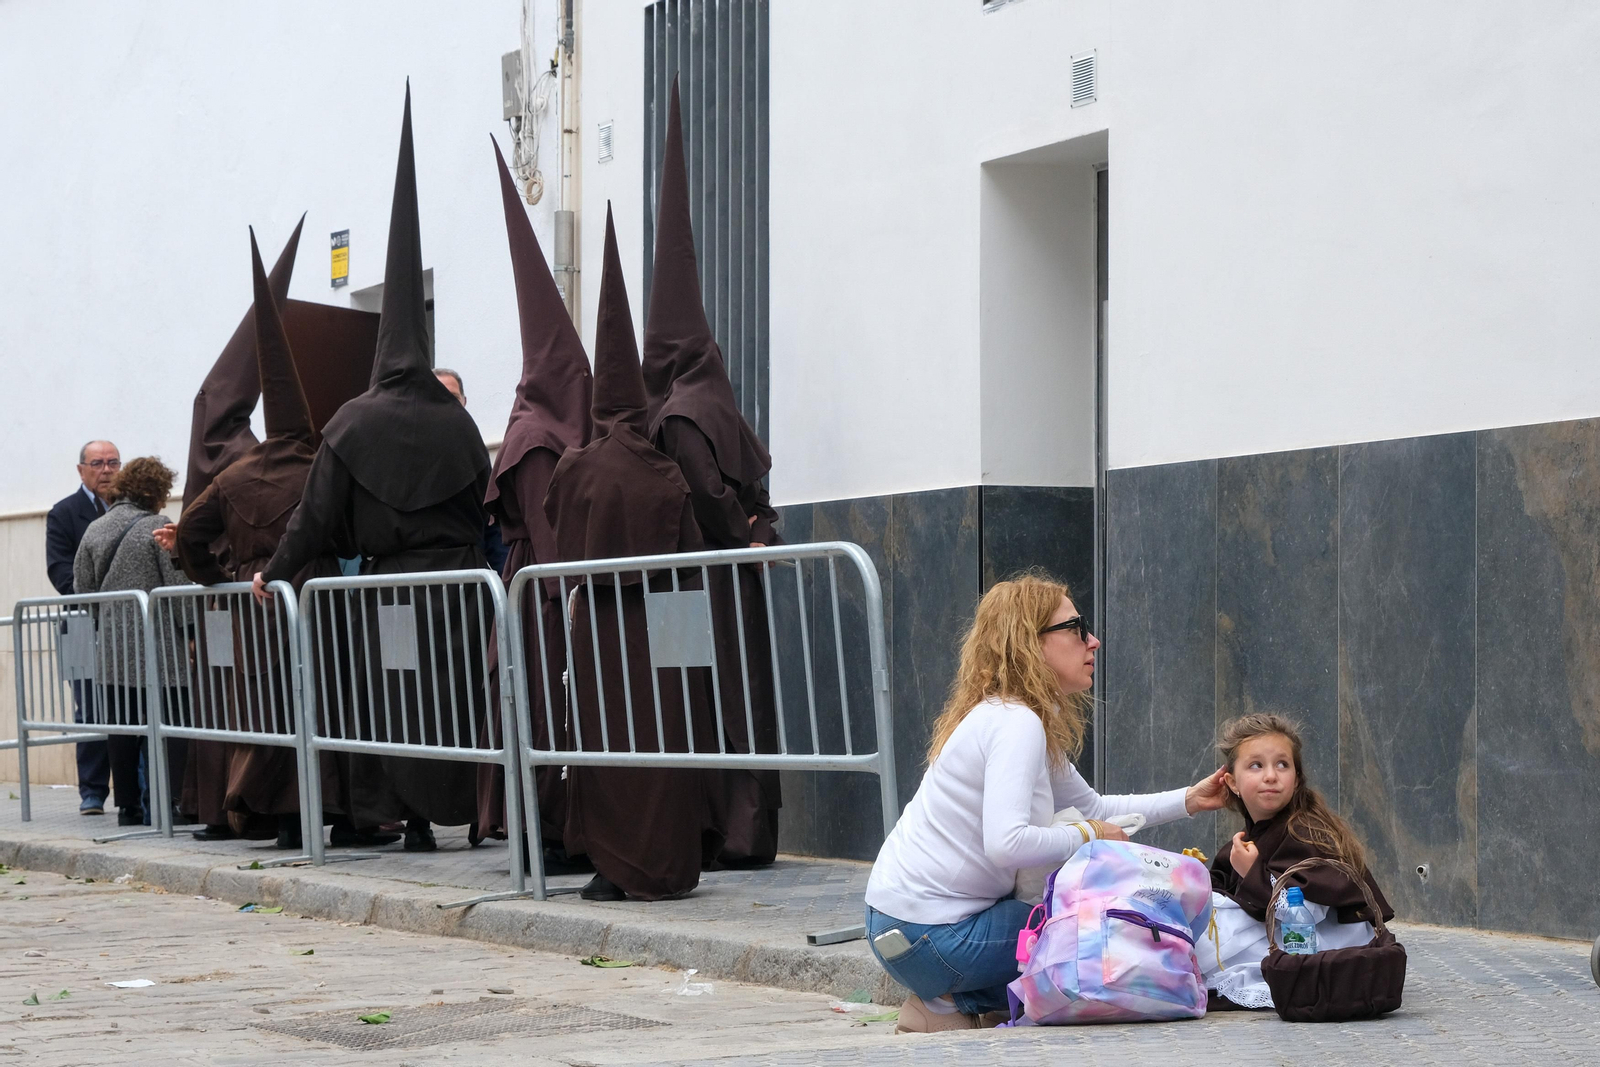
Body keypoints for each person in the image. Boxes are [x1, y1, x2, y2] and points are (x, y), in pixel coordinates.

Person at [256, 86, 492, 853]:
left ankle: (414, 819)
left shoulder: (354, 421)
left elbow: (314, 516)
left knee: (398, 697)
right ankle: (459, 811)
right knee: (454, 697)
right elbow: (483, 501)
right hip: (459, 584)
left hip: (392, 589)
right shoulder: (459, 423)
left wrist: (274, 572)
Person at [863, 573, 1231, 1033]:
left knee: (1077, 932)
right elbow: (1008, 844)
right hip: (929, 937)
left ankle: (962, 1002)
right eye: (1076, 628)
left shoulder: (1014, 715)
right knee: (1084, 930)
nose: (1093, 641)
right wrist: (1089, 834)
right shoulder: (1017, 724)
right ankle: (947, 1004)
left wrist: (1190, 800)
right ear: (1030, 643)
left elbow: (1095, 806)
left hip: (901, 928)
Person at [164, 228, 362, 849]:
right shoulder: (319, 467)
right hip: (315, 592)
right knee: (323, 698)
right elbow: (348, 534)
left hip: (253, 598)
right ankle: (326, 812)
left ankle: (278, 815)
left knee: (267, 701)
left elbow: (190, 534)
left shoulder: (232, 474)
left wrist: (214, 580)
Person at [542, 204, 715, 901]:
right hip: (660, 620)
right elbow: (690, 550)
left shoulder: (575, 467)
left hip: (599, 625)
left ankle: (612, 864)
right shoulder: (661, 468)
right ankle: (664, 861)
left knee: (604, 740)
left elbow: (558, 533)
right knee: (665, 736)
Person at [642, 79, 782, 867]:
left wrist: (737, 530)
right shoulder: (718, 400)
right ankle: (745, 825)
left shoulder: (677, 413)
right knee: (740, 693)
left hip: (701, 577)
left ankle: (726, 827)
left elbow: (706, 489)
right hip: (735, 576)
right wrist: (758, 531)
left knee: (707, 696)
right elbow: (754, 491)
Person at [471, 136, 592, 864]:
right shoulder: (538, 437)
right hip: (545, 599)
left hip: (544, 595)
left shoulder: (536, 426)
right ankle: (546, 829)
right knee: (547, 709)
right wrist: (571, 589)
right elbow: (547, 532)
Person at [1198, 712, 1394, 1010]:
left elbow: (1306, 915)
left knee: (1218, 937)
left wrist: (1252, 873)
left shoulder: (1307, 832)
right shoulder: (1249, 838)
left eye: (1282, 765)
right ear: (1232, 782)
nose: (1271, 776)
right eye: (1256, 765)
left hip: (1326, 945)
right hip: (1290, 936)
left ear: (1297, 779)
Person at [72, 457, 190, 827]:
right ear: (155, 491)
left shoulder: (95, 528)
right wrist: (190, 630)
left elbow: (82, 589)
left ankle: (128, 808)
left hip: (113, 649)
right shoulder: (158, 526)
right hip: (161, 648)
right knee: (170, 726)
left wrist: (107, 620)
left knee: (122, 728)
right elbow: (177, 587)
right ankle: (167, 803)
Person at [45, 439, 118, 814]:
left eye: (113, 462)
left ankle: (137, 792)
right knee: (89, 709)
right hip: (79, 624)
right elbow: (59, 571)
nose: (106, 470)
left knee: (127, 706)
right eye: (97, 463)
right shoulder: (64, 513)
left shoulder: (130, 509)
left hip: (121, 624)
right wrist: (100, 596)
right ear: (81, 470)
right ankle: (92, 792)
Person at [434, 366, 509, 575]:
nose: (446, 404)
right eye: (437, 395)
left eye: (453, 397)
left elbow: (492, 521)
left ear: (464, 401)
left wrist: (506, 583)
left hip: (466, 575)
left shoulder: (475, 450)